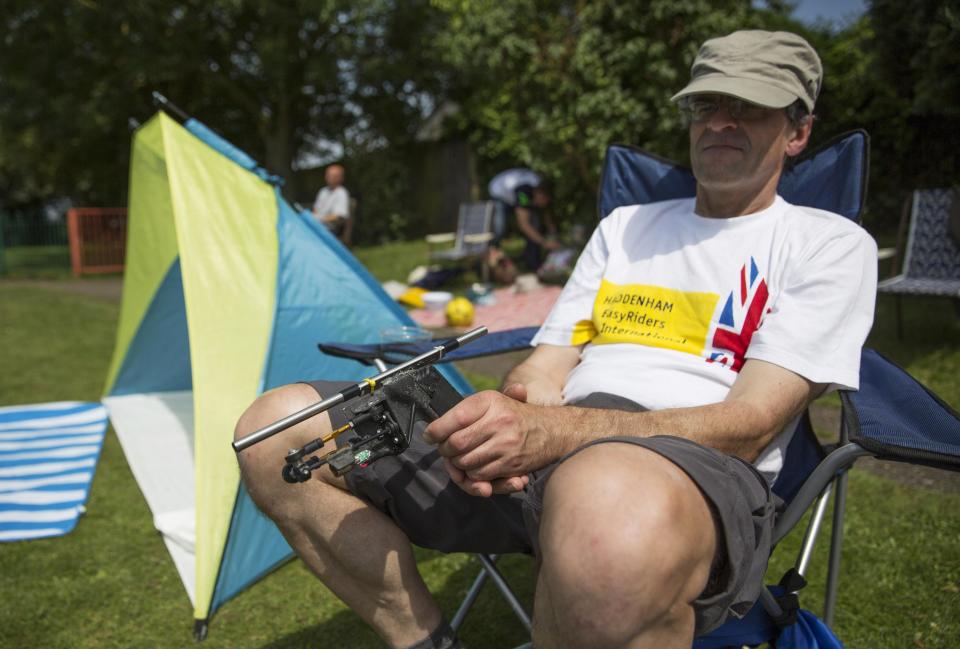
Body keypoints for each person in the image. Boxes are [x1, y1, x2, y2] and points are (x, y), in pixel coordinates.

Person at [235, 29, 878, 649]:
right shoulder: (626, 227)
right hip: (551, 444)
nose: (720, 122)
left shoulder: (825, 244)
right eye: (708, 104)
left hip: (691, 465)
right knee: (279, 434)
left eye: (749, 107)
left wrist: (558, 435)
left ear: (797, 131)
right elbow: (546, 368)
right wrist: (514, 422)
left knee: (603, 511)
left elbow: (749, 422)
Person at [513, 182, 562, 272]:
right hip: (498, 193)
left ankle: (534, 261)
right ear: (538, 194)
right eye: (544, 200)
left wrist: (554, 236)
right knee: (533, 225)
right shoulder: (523, 194)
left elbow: (546, 216)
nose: (545, 203)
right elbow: (524, 225)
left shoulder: (539, 192)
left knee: (536, 224)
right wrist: (544, 242)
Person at [312, 163, 351, 237]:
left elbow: (339, 217)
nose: (330, 177)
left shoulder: (341, 193)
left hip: (330, 231)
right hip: (317, 226)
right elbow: (315, 209)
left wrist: (319, 219)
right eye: (328, 175)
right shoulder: (322, 191)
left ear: (341, 178)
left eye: (334, 176)